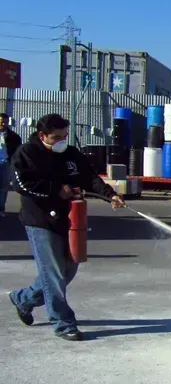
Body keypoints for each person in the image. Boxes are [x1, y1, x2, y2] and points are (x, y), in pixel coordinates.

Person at [8, 114, 125, 341]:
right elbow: (22, 185)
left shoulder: (71, 154)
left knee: (67, 272)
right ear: (42, 135)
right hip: (40, 220)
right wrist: (56, 190)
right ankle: (63, 323)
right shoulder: (27, 153)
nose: (62, 140)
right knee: (52, 274)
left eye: (65, 136)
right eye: (56, 137)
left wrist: (109, 195)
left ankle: (23, 299)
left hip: (68, 219)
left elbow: (89, 178)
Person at [0, 112, 22, 217]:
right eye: (1, 122)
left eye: (5, 122)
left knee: (4, 187)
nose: (3, 124)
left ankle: (1, 208)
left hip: (6, 163)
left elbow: (17, 152)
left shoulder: (14, 137)